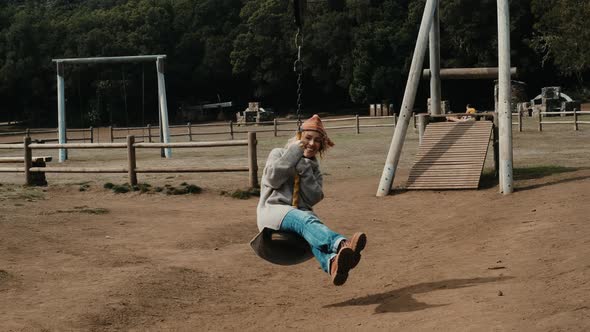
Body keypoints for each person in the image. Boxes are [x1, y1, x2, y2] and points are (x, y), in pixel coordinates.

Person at [257, 114, 367, 286]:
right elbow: (272, 179)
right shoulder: (279, 153)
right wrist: (294, 155)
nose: (312, 143)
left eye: (317, 141)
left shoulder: (314, 168)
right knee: (305, 219)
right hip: (273, 212)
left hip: (298, 217)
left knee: (312, 228)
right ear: (299, 137)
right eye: (308, 138)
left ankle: (333, 264)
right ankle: (341, 244)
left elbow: (313, 198)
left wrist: (305, 170)